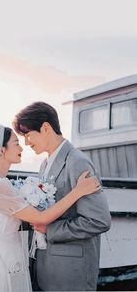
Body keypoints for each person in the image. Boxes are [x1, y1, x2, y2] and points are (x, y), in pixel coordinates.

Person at [0, 125, 101, 292]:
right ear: (1, 151)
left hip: (1, 257)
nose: (22, 147)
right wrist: (77, 192)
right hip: (4, 263)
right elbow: (41, 218)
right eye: (16, 143)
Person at [13, 102, 111, 291]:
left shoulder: (78, 162)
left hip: (70, 273)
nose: (26, 142)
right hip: (45, 266)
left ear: (46, 127)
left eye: (27, 135)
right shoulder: (44, 164)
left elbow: (99, 221)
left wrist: (49, 229)